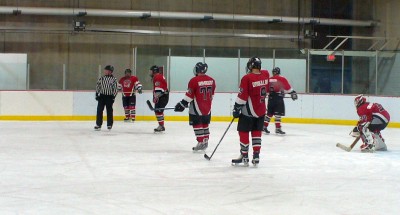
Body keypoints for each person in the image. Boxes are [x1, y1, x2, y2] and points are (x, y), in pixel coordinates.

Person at [231, 57, 268, 166]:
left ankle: (245, 156)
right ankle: (256, 156)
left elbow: (243, 96)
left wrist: (236, 108)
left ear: (250, 66)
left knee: (243, 131)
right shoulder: (266, 75)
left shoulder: (247, 78)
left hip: (248, 112)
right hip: (261, 110)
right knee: (257, 133)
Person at [174, 62, 216, 151]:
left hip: (197, 107)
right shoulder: (212, 80)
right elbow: (212, 95)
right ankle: (205, 141)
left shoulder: (194, 80)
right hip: (207, 107)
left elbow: (189, 95)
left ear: (197, 69)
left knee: (197, 124)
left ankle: (200, 142)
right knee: (205, 124)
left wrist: (182, 104)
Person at [263, 67, 297, 135]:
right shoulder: (281, 78)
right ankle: (278, 128)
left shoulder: (269, 79)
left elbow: (265, 90)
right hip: (278, 98)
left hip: (271, 98)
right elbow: (288, 88)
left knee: (269, 113)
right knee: (277, 114)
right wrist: (292, 92)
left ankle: (264, 126)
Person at [94, 65, 118, 131]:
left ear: (110, 71)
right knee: (99, 110)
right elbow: (98, 86)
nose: (105, 71)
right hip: (102, 96)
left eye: (106, 70)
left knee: (109, 111)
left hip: (109, 97)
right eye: (105, 70)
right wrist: (97, 94)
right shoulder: (101, 78)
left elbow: (115, 89)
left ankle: (109, 124)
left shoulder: (114, 79)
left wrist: (113, 96)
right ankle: (98, 124)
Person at [149, 65, 169, 132]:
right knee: (158, 111)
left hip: (162, 96)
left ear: (154, 71)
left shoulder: (157, 77)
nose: (150, 72)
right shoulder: (159, 76)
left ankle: (161, 126)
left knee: (158, 111)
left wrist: (156, 97)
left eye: (151, 71)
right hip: (163, 96)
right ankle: (161, 125)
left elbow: (159, 89)